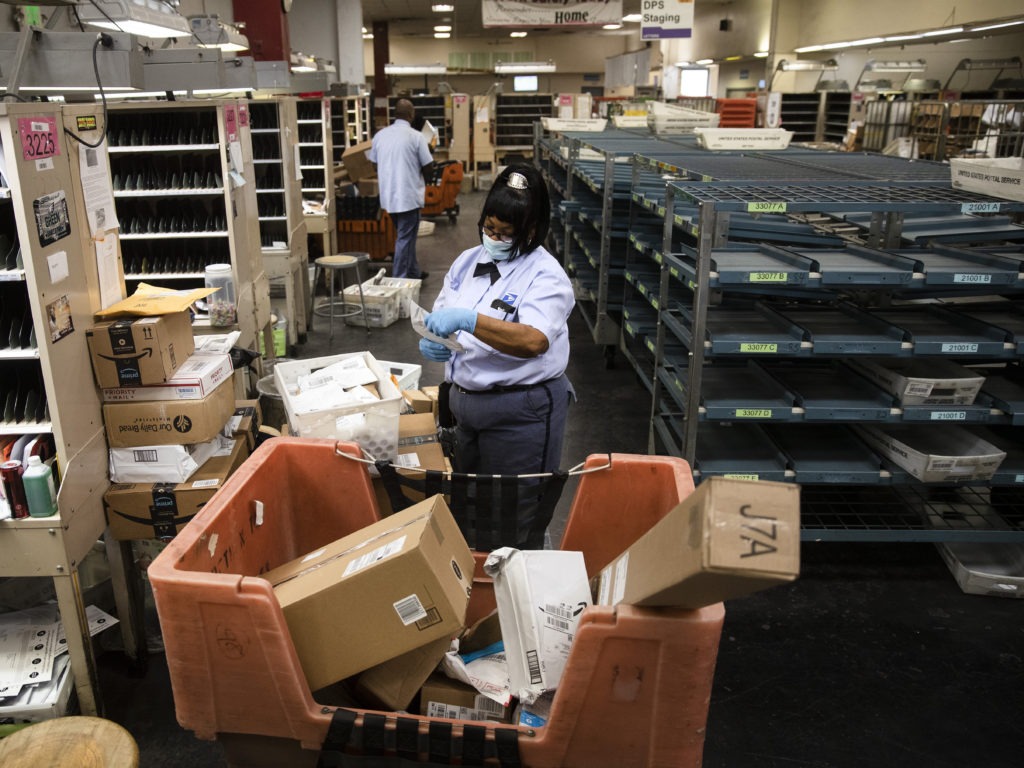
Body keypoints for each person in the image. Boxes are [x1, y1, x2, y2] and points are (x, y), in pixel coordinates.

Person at [418, 164, 575, 545]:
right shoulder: (466, 263)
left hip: (520, 416)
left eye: (505, 233)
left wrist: (472, 321)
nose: (494, 238)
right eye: (489, 228)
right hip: (467, 412)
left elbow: (534, 340)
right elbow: (442, 313)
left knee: (516, 518)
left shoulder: (545, 276)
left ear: (532, 231)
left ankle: (521, 592)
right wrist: (437, 338)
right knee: (472, 511)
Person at [367, 99, 433, 280]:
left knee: (407, 236)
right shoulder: (416, 137)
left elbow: (373, 164)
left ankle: (413, 271)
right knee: (405, 238)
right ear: (411, 115)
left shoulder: (380, 136)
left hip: (389, 197)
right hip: (409, 196)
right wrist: (424, 179)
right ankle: (399, 278)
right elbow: (428, 166)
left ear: (395, 114)